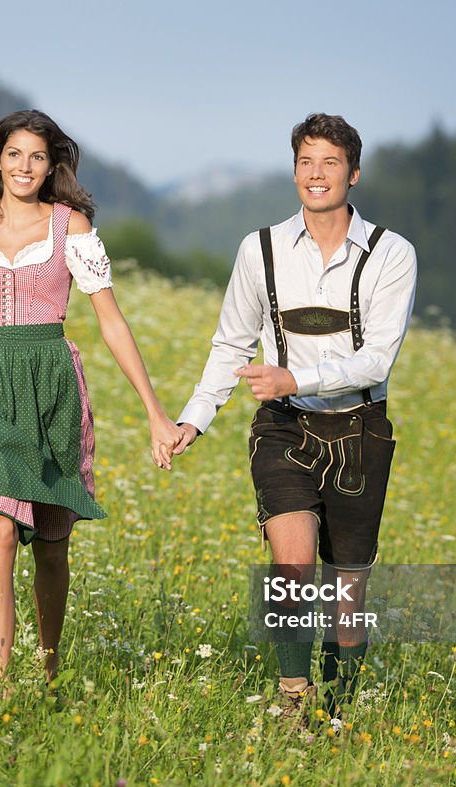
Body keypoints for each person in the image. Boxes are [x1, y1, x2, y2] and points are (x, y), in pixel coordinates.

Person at [0, 110, 181, 686]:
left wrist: (155, 412)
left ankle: (49, 670)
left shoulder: (70, 228)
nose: (25, 167)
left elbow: (111, 321)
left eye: (38, 157)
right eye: (15, 154)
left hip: (50, 383)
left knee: (51, 540)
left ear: (52, 167)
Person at [172, 113, 417, 723]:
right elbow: (230, 346)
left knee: (349, 595)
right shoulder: (260, 251)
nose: (316, 174)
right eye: (306, 161)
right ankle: (292, 698)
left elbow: (376, 359)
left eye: (330, 162)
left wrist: (294, 375)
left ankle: (338, 712)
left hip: (361, 430)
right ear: (293, 171)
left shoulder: (392, 254)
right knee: (291, 565)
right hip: (284, 426)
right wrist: (193, 420)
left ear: (353, 174)